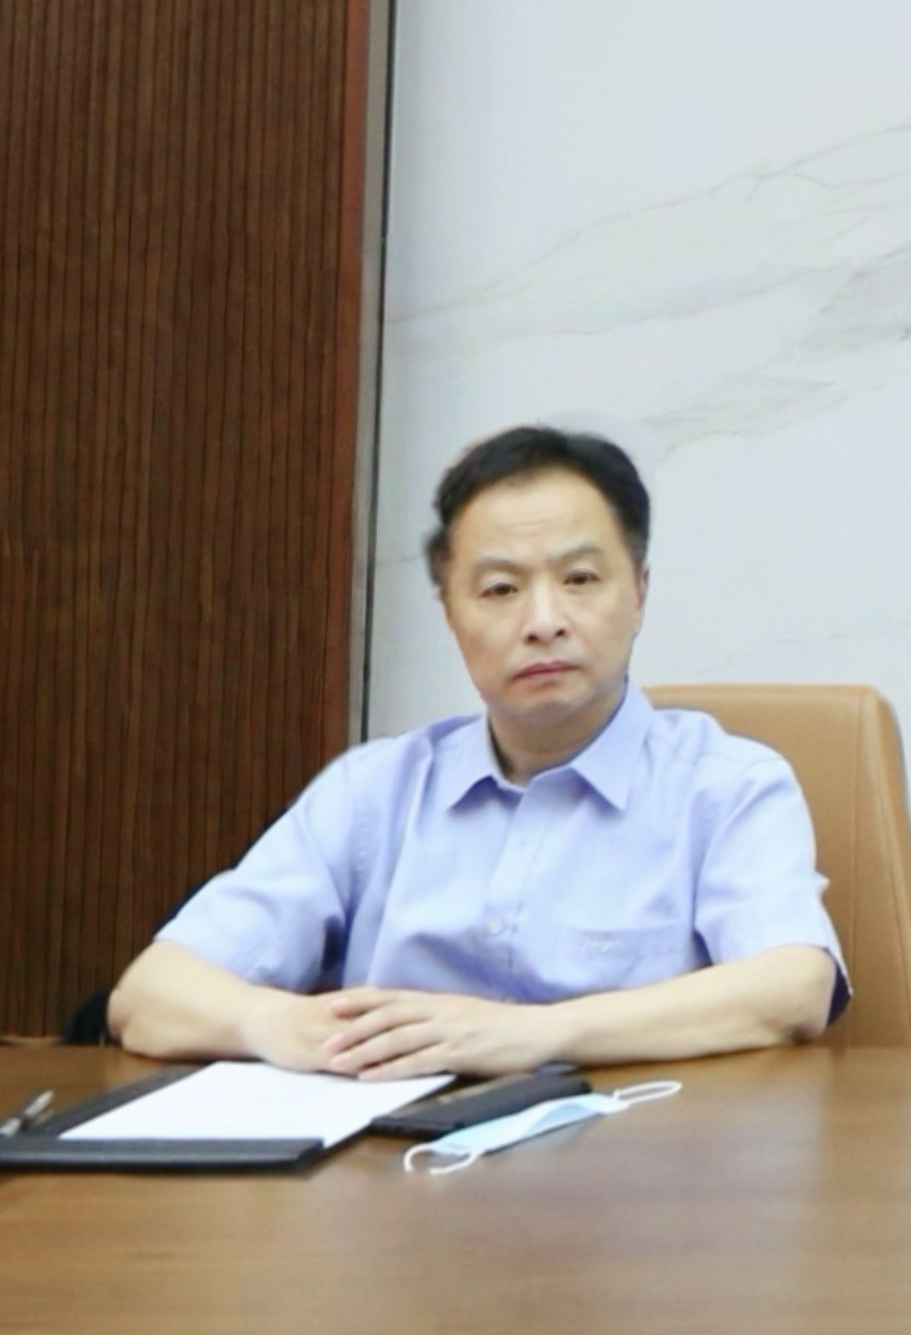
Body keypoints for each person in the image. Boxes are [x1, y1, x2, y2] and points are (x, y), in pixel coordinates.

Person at [107, 426, 843, 1078]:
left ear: (640, 592)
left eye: (580, 580)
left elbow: (793, 987)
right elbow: (148, 997)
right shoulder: (373, 794)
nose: (544, 621)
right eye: (499, 589)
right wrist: (288, 1026)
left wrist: (534, 1035)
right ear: (451, 613)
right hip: (395, 1170)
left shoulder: (728, 787)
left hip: (636, 1169)